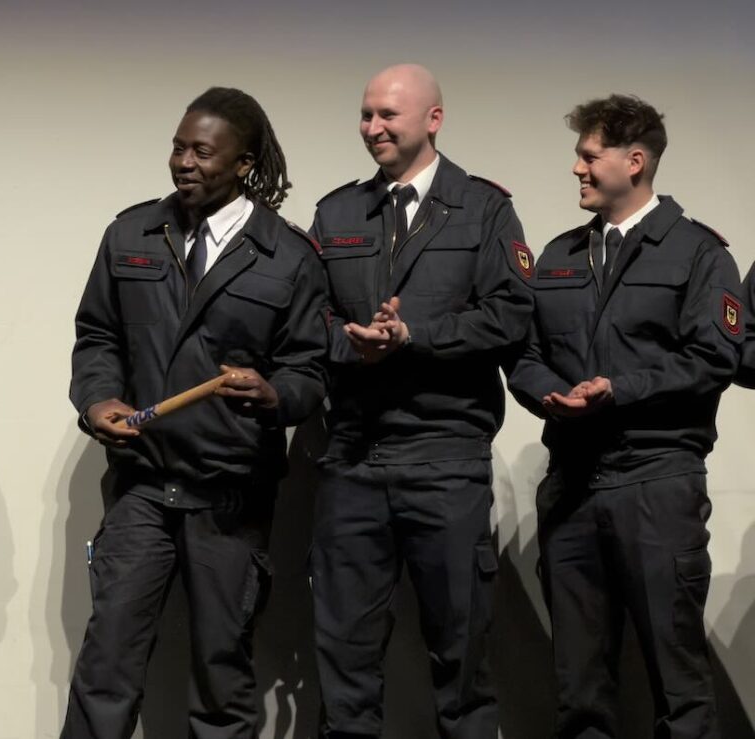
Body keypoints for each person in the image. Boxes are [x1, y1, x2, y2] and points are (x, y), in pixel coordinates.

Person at [63, 87, 328, 739]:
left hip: (230, 498)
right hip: (142, 487)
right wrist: (96, 399)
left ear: (244, 163)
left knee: (222, 676)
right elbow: (97, 336)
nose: (184, 162)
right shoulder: (131, 234)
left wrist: (275, 395)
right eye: (178, 147)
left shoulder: (288, 255)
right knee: (106, 666)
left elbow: (310, 370)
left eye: (202, 151)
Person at [308, 64, 533, 738]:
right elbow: (308, 318)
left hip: (446, 457)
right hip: (353, 458)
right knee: (344, 662)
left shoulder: (485, 208)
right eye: (366, 114)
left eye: (388, 115)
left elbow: (511, 315)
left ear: (433, 119)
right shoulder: (337, 212)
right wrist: (354, 345)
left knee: (461, 660)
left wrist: (414, 338)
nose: (372, 127)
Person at [507, 94, 741, 738]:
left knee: (678, 681)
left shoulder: (698, 253)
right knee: (579, 684)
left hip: (656, 481)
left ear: (634, 161)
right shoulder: (558, 256)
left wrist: (621, 390)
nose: (576, 169)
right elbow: (525, 355)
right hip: (572, 486)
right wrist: (548, 395)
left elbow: (713, 357)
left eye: (589, 156)